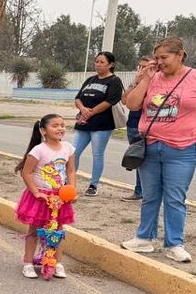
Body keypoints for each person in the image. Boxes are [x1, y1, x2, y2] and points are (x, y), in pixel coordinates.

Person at [120, 37, 196, 263]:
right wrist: (145, 79)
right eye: (157, 58)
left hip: (183, 147)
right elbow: (132, 104)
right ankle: (144, 238)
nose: (159, 62)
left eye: (164, 57)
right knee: (150, 195)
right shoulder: (152, 78)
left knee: (175, 197)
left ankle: (175, 244)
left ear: (180, 55)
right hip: (151, 145)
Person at [15, 114, 76, 279]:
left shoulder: (68, 148)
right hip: (40, 196)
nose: (60, 129)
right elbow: (26, 172)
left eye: (62, 125)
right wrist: (36, 192)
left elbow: (70, 170)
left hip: (59, 197)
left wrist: (71, 190)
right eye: (55, 126)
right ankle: (28, 263)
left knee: (58, 230)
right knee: (34, 230)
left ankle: (57, 262)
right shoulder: (38, 150)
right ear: (43, 130)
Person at [71, 51, 123, 197]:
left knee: (97, 154)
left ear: (111, 64)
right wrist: (82, 109)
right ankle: (70, 182)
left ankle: (93, 185)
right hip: (83, 122)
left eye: (102, 62)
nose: (98, 65)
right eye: (97, 61)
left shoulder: (114, 81)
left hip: (101, 124)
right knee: (73, 153)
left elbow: (110, 101)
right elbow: (78, 98)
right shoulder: (90, 80)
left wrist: (91, 112)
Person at [121, 106, 144, 201]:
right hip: (133, 124)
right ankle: (139, 191)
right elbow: (125, 101)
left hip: (151, 125)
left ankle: (143, 192)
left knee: (149, 161)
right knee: (137, 159)